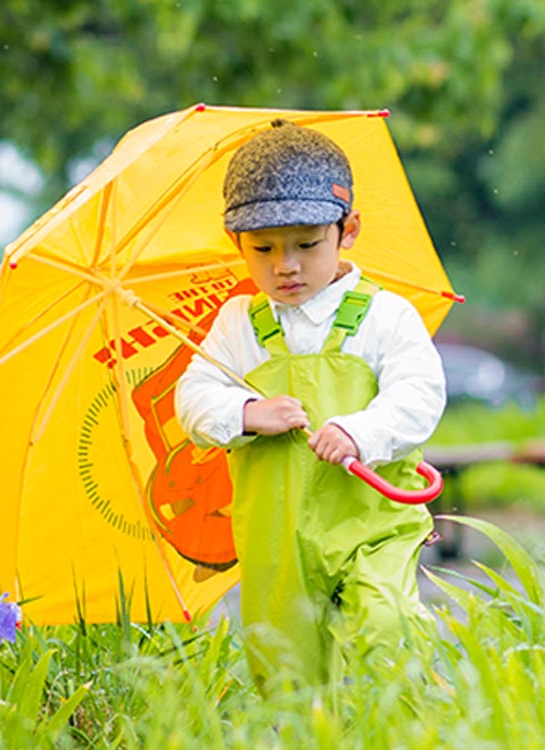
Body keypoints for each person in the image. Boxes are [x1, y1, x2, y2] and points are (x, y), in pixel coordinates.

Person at [175, 119, 446, 694]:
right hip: (277, 533)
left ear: (347, 231)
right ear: (236, 244)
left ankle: (397, 730)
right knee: (285, 669)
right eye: (264, 249)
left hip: (370, 521)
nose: (285, 266)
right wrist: (248, 412)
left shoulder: (383, 316)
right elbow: (193, 399)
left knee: (386, 626)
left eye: (306, 244)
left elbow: (419, 394)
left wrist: (360, 430)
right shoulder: (236, 326)